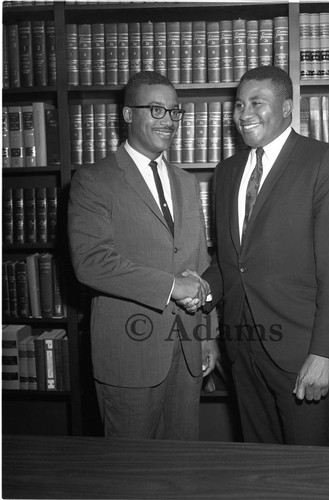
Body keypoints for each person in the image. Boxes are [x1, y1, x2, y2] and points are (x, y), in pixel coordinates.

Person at [185, 65, 329, 446]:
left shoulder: (323, 161)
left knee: (307, 470)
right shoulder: (226, 173)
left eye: (257, 103)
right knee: (258, 464)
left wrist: (323, 353)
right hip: (242, 350)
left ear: (287, 108)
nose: (244, 114)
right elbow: (233, 262)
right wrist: (200, 288)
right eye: (238, 104)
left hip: (300, 352)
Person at [68, 71, 218, 440]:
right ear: (127, 114)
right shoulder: (94, 179)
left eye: (174, 111)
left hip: (186, 350)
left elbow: (199, 262)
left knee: (181, 468)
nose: (168, 120)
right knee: (129, 475)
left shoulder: (185, 181)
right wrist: (172, 287)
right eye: (156, 109)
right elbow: (91, 262)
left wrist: (208, 336)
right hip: (129, 356)